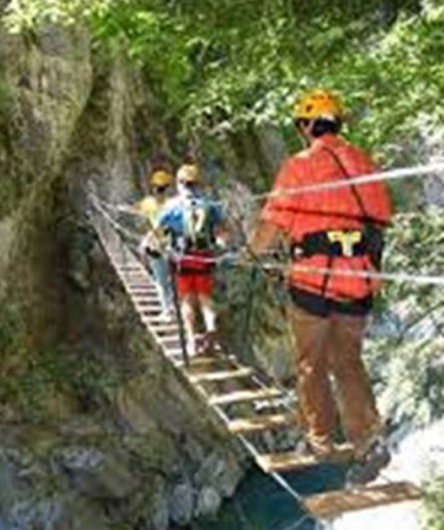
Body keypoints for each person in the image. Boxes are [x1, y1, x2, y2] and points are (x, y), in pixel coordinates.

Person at [248, 89, 393, 486]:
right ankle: (369, 440)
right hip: (359, 278)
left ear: (306, 126)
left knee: (311, 363)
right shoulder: (365, 163)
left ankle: (319, 440)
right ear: (338, 124)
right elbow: (380, 220)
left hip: (313, 280)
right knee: (347, 361)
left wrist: (250, 252)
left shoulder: (300, 165)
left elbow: (272, 225)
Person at [157, 163, 227, 357]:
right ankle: (210, 328)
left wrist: (153, 245)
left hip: (183, 259)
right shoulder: (210, 205)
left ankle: (190, 340)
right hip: (204, 258)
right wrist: (221, 245)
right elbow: (222, 232)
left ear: (179, 183)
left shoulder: (172, 206)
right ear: (198, 184)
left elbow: (158, 231)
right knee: (205, 297)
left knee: (187, 299)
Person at [137, 168, 175, 321]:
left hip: (155, 245)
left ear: (153, 187)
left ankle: (166, 311)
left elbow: (137, 210)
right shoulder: (173, 204)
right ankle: (171, 308)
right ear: (167, 188)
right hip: (172, 246)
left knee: (160, 281)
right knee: (170, 279)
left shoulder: (148, 203)